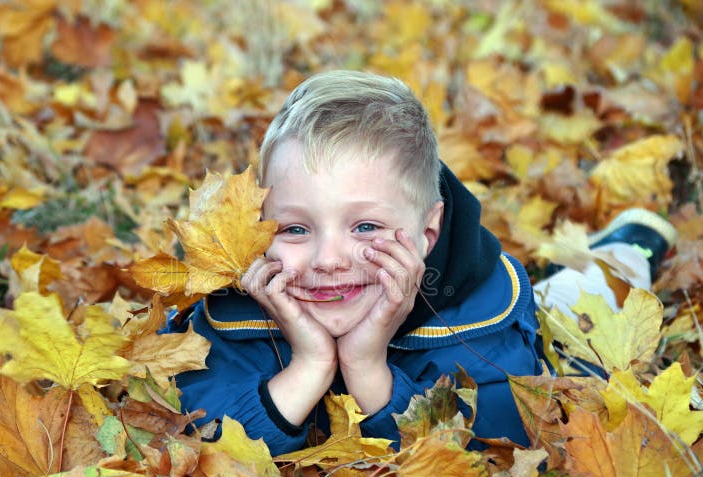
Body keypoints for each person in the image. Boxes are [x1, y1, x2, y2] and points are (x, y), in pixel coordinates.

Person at [159, 70, 676, 456]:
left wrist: (366, 366)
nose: (329, 260)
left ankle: (625, 249)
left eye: (366, 227)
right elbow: (195, 438)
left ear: (427, 234)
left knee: (581, 302)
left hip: (462, 298)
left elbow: (496, 449)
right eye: (295, 229)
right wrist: (310, 364)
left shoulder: (480, 322)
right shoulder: (242, 307)